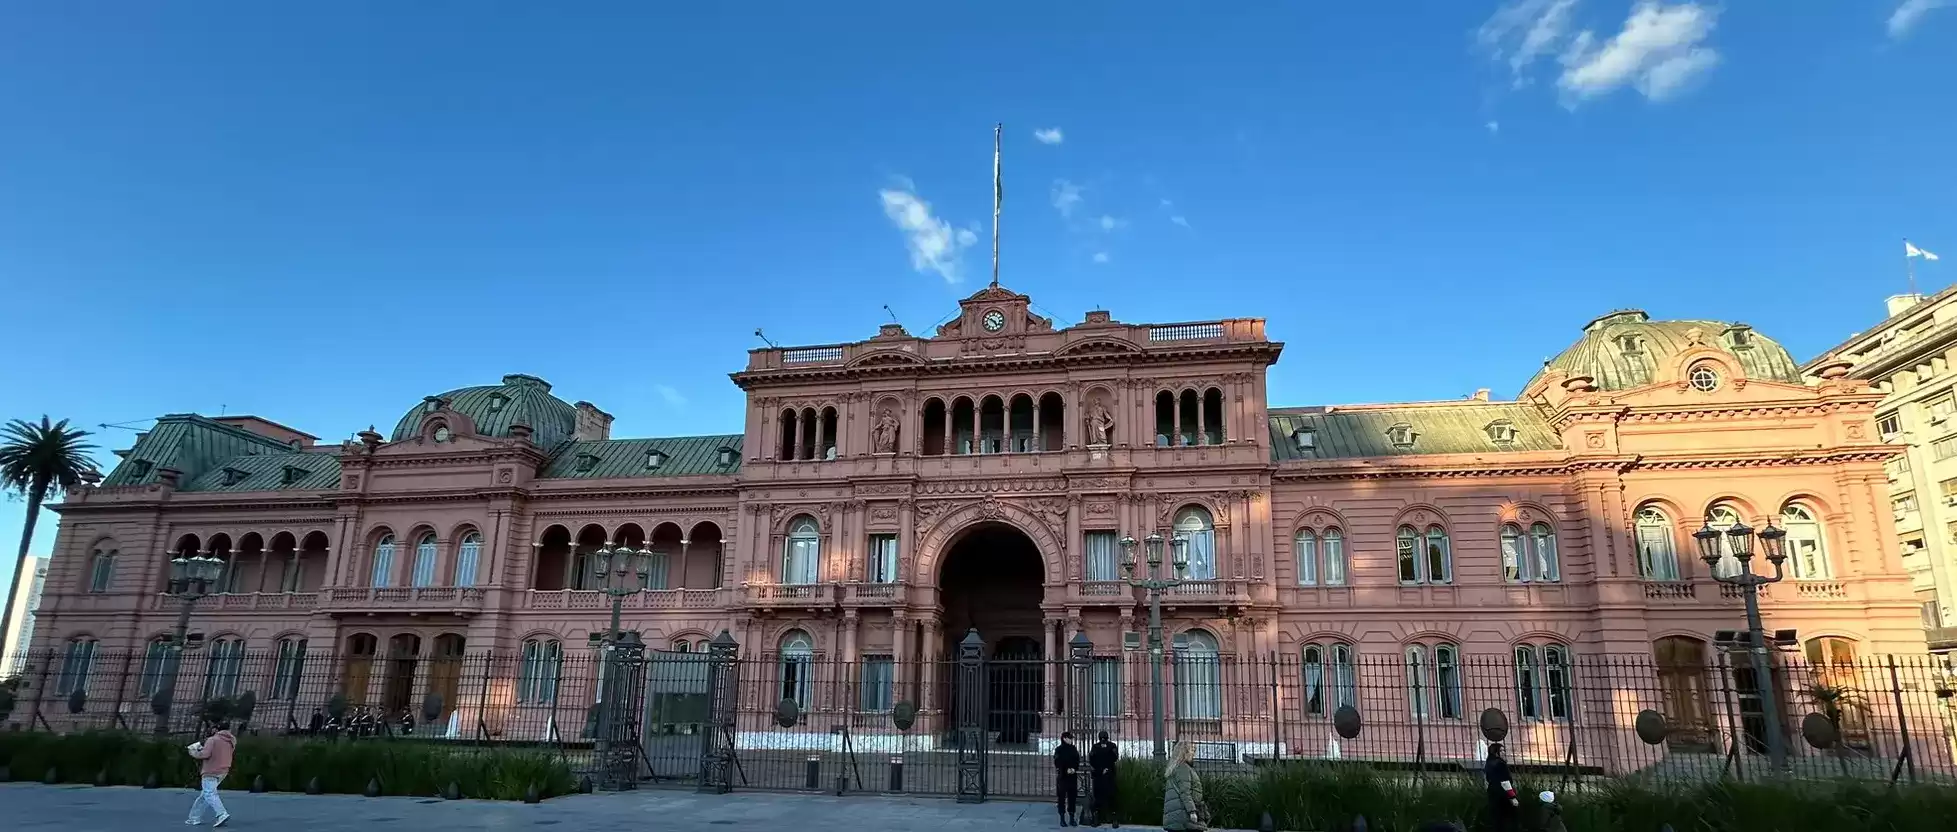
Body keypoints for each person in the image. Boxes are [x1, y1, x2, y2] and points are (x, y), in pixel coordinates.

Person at [185, 720, 237, 827]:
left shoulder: (212, 740)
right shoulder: (232, 740)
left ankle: (222, 813)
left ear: (216, 729)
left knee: (209, 793)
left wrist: (193, 752)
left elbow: (205, 754)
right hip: (223, 770)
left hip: (211, 770)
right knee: (205, 795)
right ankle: (194, 818)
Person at [1161, 740, 1208, 832]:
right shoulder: (1183, 768)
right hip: (1184, 816)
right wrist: (1192, 811)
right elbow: (1185, 792)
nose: (1193, 753)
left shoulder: (1176, 768)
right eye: (1191, 750)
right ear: (1184, 752)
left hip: (1177, 816)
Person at [1483, 743, 1520, 832]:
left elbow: (1487, 779)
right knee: (1509, 819)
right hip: (1503, 795)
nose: (1504, 753)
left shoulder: (1488, 763)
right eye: (1501, 751)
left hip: (1492, 793)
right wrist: (1513, 797)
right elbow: (1505, 782)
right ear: (1496, 752)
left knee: (1496, 820)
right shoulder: (1501, 764)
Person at [1087, 731, 1119, 828]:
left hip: (1109, 775)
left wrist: (1107, 769)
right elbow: (1092, 759)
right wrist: (1101, 770)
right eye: (1102, 739)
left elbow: (1115, 757)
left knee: (1111, 797)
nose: (1103, 741)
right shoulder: (1095, 747)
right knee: (1098, 798)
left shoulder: (1112, 746)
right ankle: (1097, 818)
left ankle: (1114, 819)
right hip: (1098, 775)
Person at [1053, 731, 1082, 826]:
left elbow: (1077, 760)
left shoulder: (1073, 749)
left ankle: (1072, 818)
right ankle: (1062, 818)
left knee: (1072, 798)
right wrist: (1065, 770)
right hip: (1063, 777)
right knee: (1061, 798)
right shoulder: (1059, 749)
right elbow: (1057, 762)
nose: (1071, 740)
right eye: (1069, 738)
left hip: (1072, 777)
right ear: (1064, 738)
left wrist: (1074, 768)